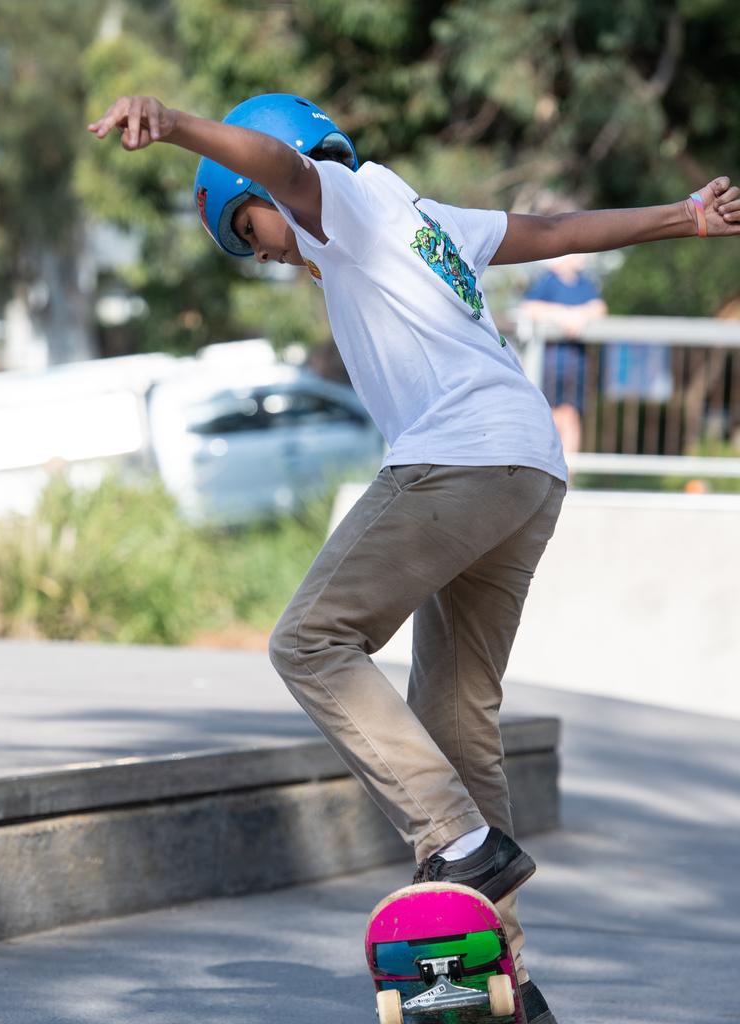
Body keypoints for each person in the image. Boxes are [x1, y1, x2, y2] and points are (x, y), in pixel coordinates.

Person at [88, 93, 740, 1024]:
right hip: (526, 473)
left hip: (458, 458)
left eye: (249, 226)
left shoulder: (339, 200)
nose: (268, 250)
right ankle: (500, 978)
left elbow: (279, 169)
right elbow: (551, 230)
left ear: (279, 177)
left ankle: (454, 841)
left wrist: (180, 127)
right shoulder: (421, 216)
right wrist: (680, 217)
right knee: (456, 715)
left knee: (310, 640)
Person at [519, 252, 607, 457]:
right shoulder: (547, 281)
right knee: (549, 414)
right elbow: (529, 307)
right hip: (549, 362)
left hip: (576, 362)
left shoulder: (585, 284)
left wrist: (579, 317)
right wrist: (562, 316)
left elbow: (599, 308)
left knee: (571, 415)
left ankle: (569, 474)